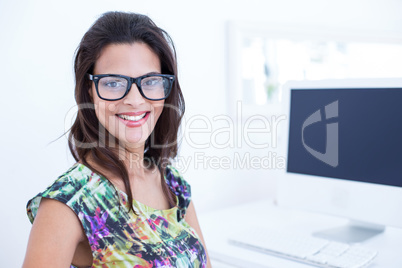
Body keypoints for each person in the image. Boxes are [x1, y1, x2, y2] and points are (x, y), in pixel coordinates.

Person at [23, 11, 211, 268]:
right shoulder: (69, 202)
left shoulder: (172, 183)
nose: (134, 100)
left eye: (150, 81)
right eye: (113, 83)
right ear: (89, 90)